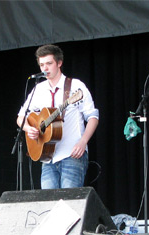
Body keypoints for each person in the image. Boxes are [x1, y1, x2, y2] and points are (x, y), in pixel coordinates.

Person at [17, 44, 99, 189]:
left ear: (59, 63)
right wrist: (29, 128)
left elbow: (93, 116)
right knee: (49, 205)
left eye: (49, 63)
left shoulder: (75, 86)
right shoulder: (38, 89)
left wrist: (83, 142)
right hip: (48, 158)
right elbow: (21, 117)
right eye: (42, 65)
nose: (45, 69)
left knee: (69, 204)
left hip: (72, 153)